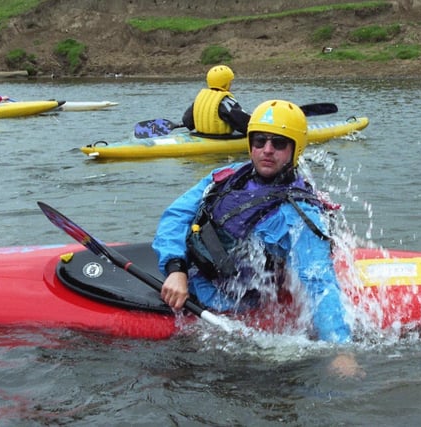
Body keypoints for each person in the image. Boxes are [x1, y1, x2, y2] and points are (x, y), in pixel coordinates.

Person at [154, 99, 362, 377]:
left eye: (278, 143)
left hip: (231, 301)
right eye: (260, 141)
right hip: (190, 275)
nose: (267, 150)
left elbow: (318, 282)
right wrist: (175, 269)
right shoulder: (225, 177)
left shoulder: (300, 213)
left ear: (294, 149)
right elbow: (175, 217)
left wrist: (341, 351)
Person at [181, 65, 250, 136]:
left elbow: (187, 122)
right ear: (226, 83)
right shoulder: (226, 101)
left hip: (201, 136)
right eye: (230, 82)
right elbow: (245, 124)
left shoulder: (200, 99)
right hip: (220, 139)